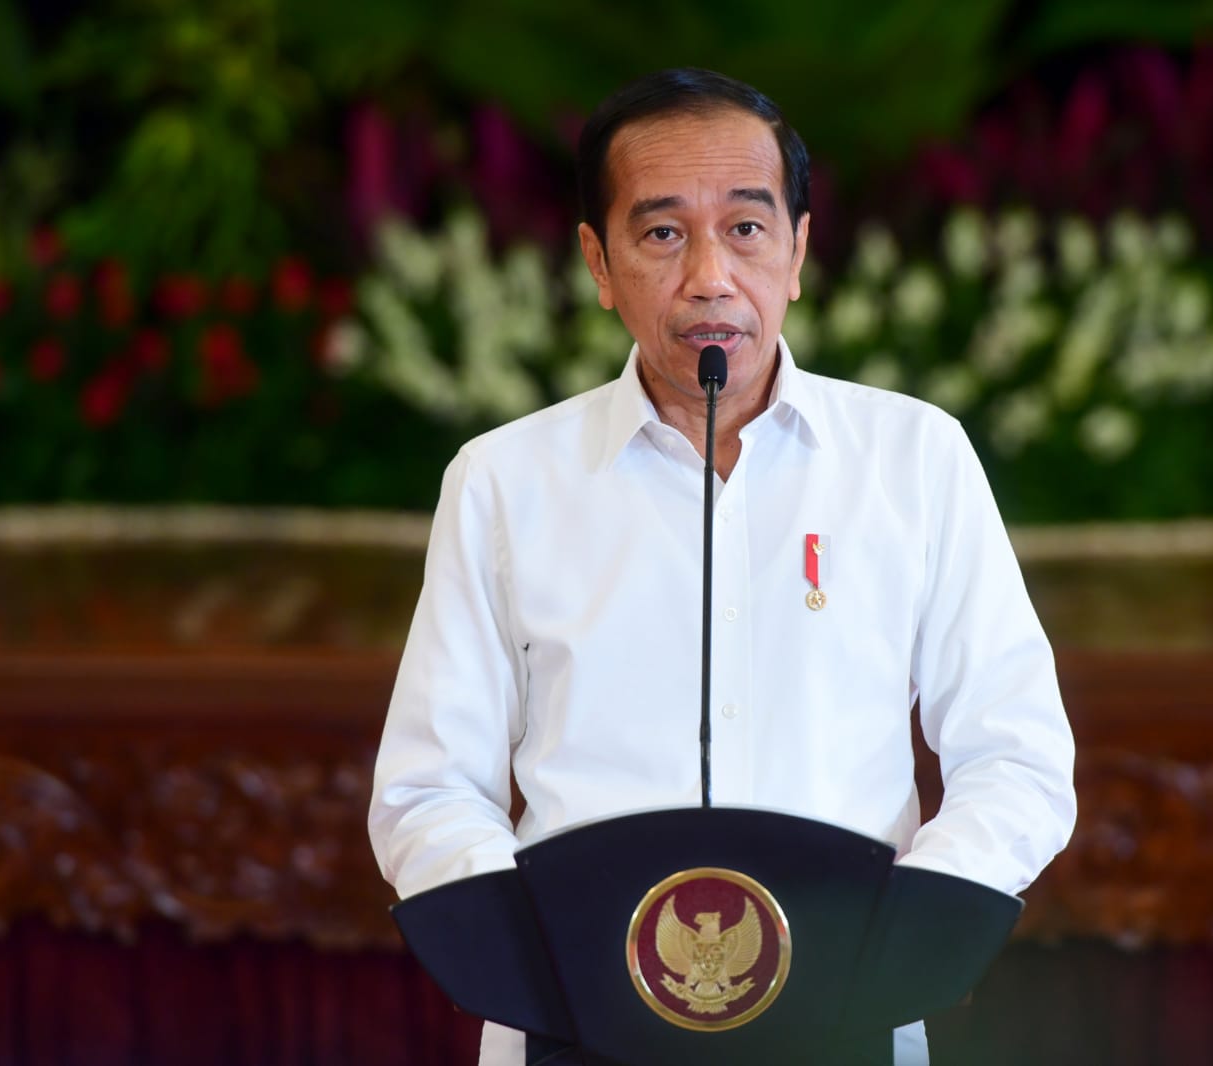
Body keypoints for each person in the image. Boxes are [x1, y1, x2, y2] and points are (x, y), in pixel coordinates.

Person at [367, 67, 1076, 1066]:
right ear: (598, 262)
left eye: (745, 228)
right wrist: (548, 961)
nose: (709, 276)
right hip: (572, 1022)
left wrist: (902, 934)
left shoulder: (914, 461)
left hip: (849, 1010)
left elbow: (1017, 757)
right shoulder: (504, 481)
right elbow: (428, 789)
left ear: (797, 251)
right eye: (662, 233)